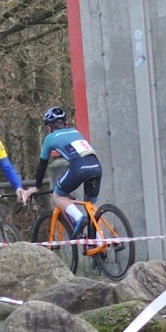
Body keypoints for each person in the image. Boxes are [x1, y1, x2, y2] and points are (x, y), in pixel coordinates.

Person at [31, 104, 104, 242]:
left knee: (58, 195)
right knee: (91, 207)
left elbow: (42, 165)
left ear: (49, 126)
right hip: (96, 166)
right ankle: (101, 242)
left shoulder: (50, 138)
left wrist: (37, 186)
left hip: (79, 168)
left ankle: (78, 218)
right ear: (64, 123)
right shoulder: (75, 132)